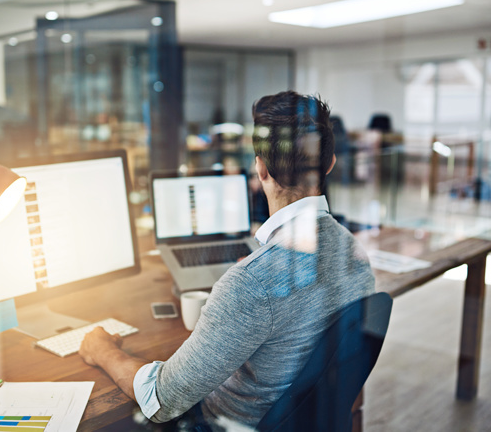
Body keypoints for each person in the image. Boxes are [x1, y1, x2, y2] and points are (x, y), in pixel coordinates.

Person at [79, 90, 375, 430]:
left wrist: (102, 350)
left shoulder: (251, 282)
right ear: (330, 164)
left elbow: (160, 400)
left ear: (260, 168)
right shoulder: (356, 256)